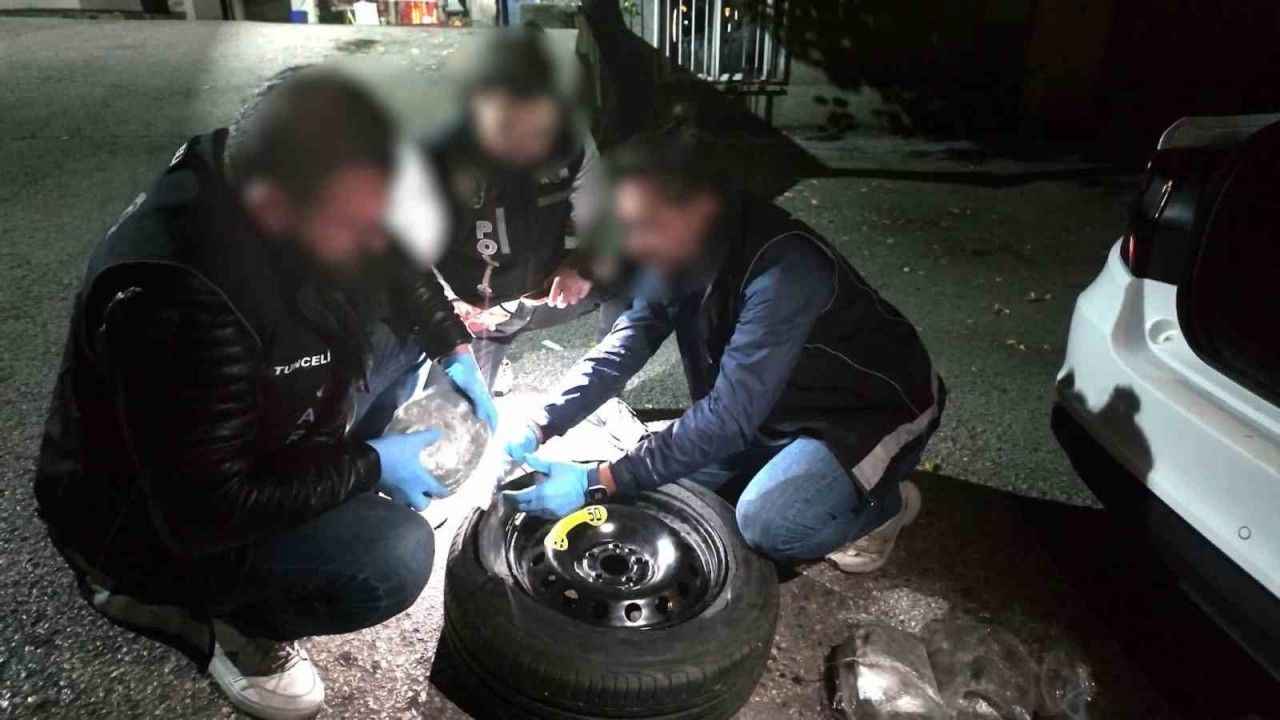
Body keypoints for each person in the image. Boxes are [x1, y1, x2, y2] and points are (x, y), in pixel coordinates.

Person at [33, 69, 494, 720]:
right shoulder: (182, 303)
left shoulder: (279, 170)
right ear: (276, 211)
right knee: (392, 556)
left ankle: (327, 496)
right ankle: (231, 624)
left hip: (239, 422)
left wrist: (454, 347)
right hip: (155, 517)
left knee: (399, 330)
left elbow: (394, 255)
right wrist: (370, 466)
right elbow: (204, 511)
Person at [500, 118, 945, 573]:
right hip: (772, 403)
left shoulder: (785, 270)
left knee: (769, 524)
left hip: (864, 413)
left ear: (701, 209)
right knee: (664, 482)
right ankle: (791, 468)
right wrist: (543, 421)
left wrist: (598, 482)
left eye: (642, 225)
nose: (630, 243)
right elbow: (630, 340)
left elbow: (728, 418)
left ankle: (884, 507)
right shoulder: (675, 246)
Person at [390, 28, 627, 395]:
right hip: (465, 304)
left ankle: (603, 392)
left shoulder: (572, 143)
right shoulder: (432, 152)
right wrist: (450, 315)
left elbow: (602, 217)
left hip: (538, 290)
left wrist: (582, 266)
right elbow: (404, 256)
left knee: (633, 281)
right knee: (456, 409)